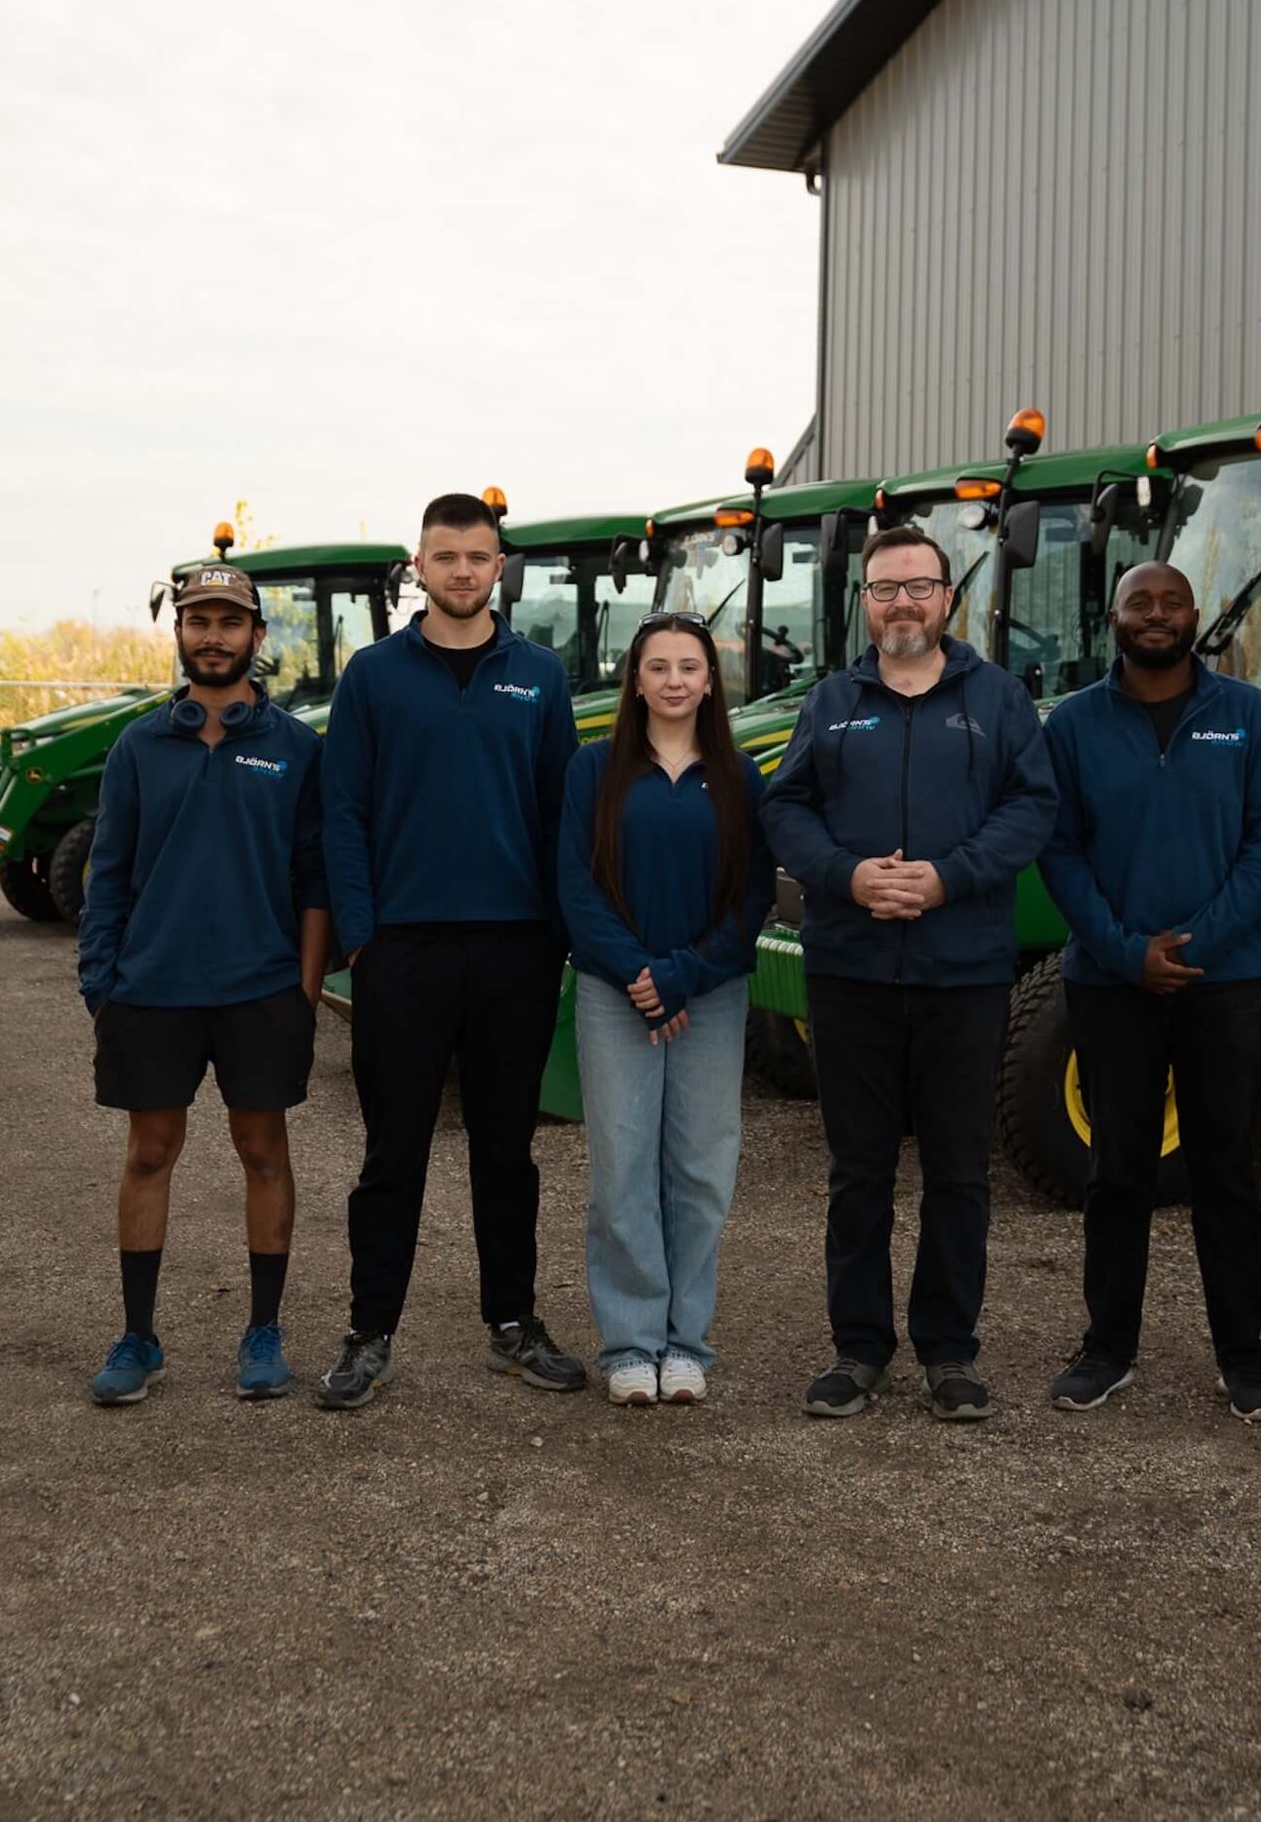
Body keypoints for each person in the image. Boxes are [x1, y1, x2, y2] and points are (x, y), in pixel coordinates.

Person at [764, 524, 1057, 1423]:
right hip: (851, 972)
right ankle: (858, 1349)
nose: (901, 604)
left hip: (962, 973)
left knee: (960, 1171)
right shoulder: (831, 704)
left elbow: (1032, 806)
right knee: (859, 1171)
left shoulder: (998, 699)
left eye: (918, 587)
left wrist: (947, 877)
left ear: (947, 598)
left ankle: (949, 1350)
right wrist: (847, 876)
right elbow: (786, 807)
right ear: (866, 603)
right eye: (885, 589)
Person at [315, 492, 584, 1408]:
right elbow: (341, 814)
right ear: (418, 567)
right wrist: (363, 938)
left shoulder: (540, 676)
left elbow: (561, 816)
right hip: (403, 954)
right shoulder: (372, 676)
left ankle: (512, 1322)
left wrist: (556, 934)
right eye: (445, 557)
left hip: (515, 953)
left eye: (478, 557)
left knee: (506, 1153)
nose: (462, 572)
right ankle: (368, 1332)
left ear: (499, 566)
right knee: (394, 1153)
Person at [1039, 562, 1261, 1423]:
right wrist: (1122, 951)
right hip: (1110, 983)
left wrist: (1204, 939)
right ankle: (1107, 1349)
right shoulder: (1074, 724)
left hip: (1223, 982)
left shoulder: (1249, 716)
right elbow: (1059, 849)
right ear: (1113, 617)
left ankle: (1245, 1356)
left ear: (1196, 615)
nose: (1155, 616)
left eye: (1171, 602)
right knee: (1118, 1170)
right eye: (1138, 603)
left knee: (1225, 1168)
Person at [78, 562, 329, 1406]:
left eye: (230, 622)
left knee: (263, 1151)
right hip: (152, 993)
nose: (213, 636)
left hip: (258, 992)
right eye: (199, 621)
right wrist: (101, 986)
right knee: (150, 1152)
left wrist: (300, 994)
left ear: (258, 637)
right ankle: (139, 1338)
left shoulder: (296, 749)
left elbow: (314, 882)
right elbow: (106, 874)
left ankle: (263, 1332)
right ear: (180, 635)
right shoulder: (139, 747)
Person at [558, 613, 774, 1404]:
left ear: (710, 681)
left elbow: (753, 893)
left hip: (709, 996)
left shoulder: (739, 776)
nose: (676, 680)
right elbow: (575, 887)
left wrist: (684, 974)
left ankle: (685, 1344)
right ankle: (629, 1344)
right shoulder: (595, 771)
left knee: (700, 1169)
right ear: (636, 680)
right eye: (660, 667)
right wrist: (638, 974)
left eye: (690, 667)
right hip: (616, 996)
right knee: (621, 1170)